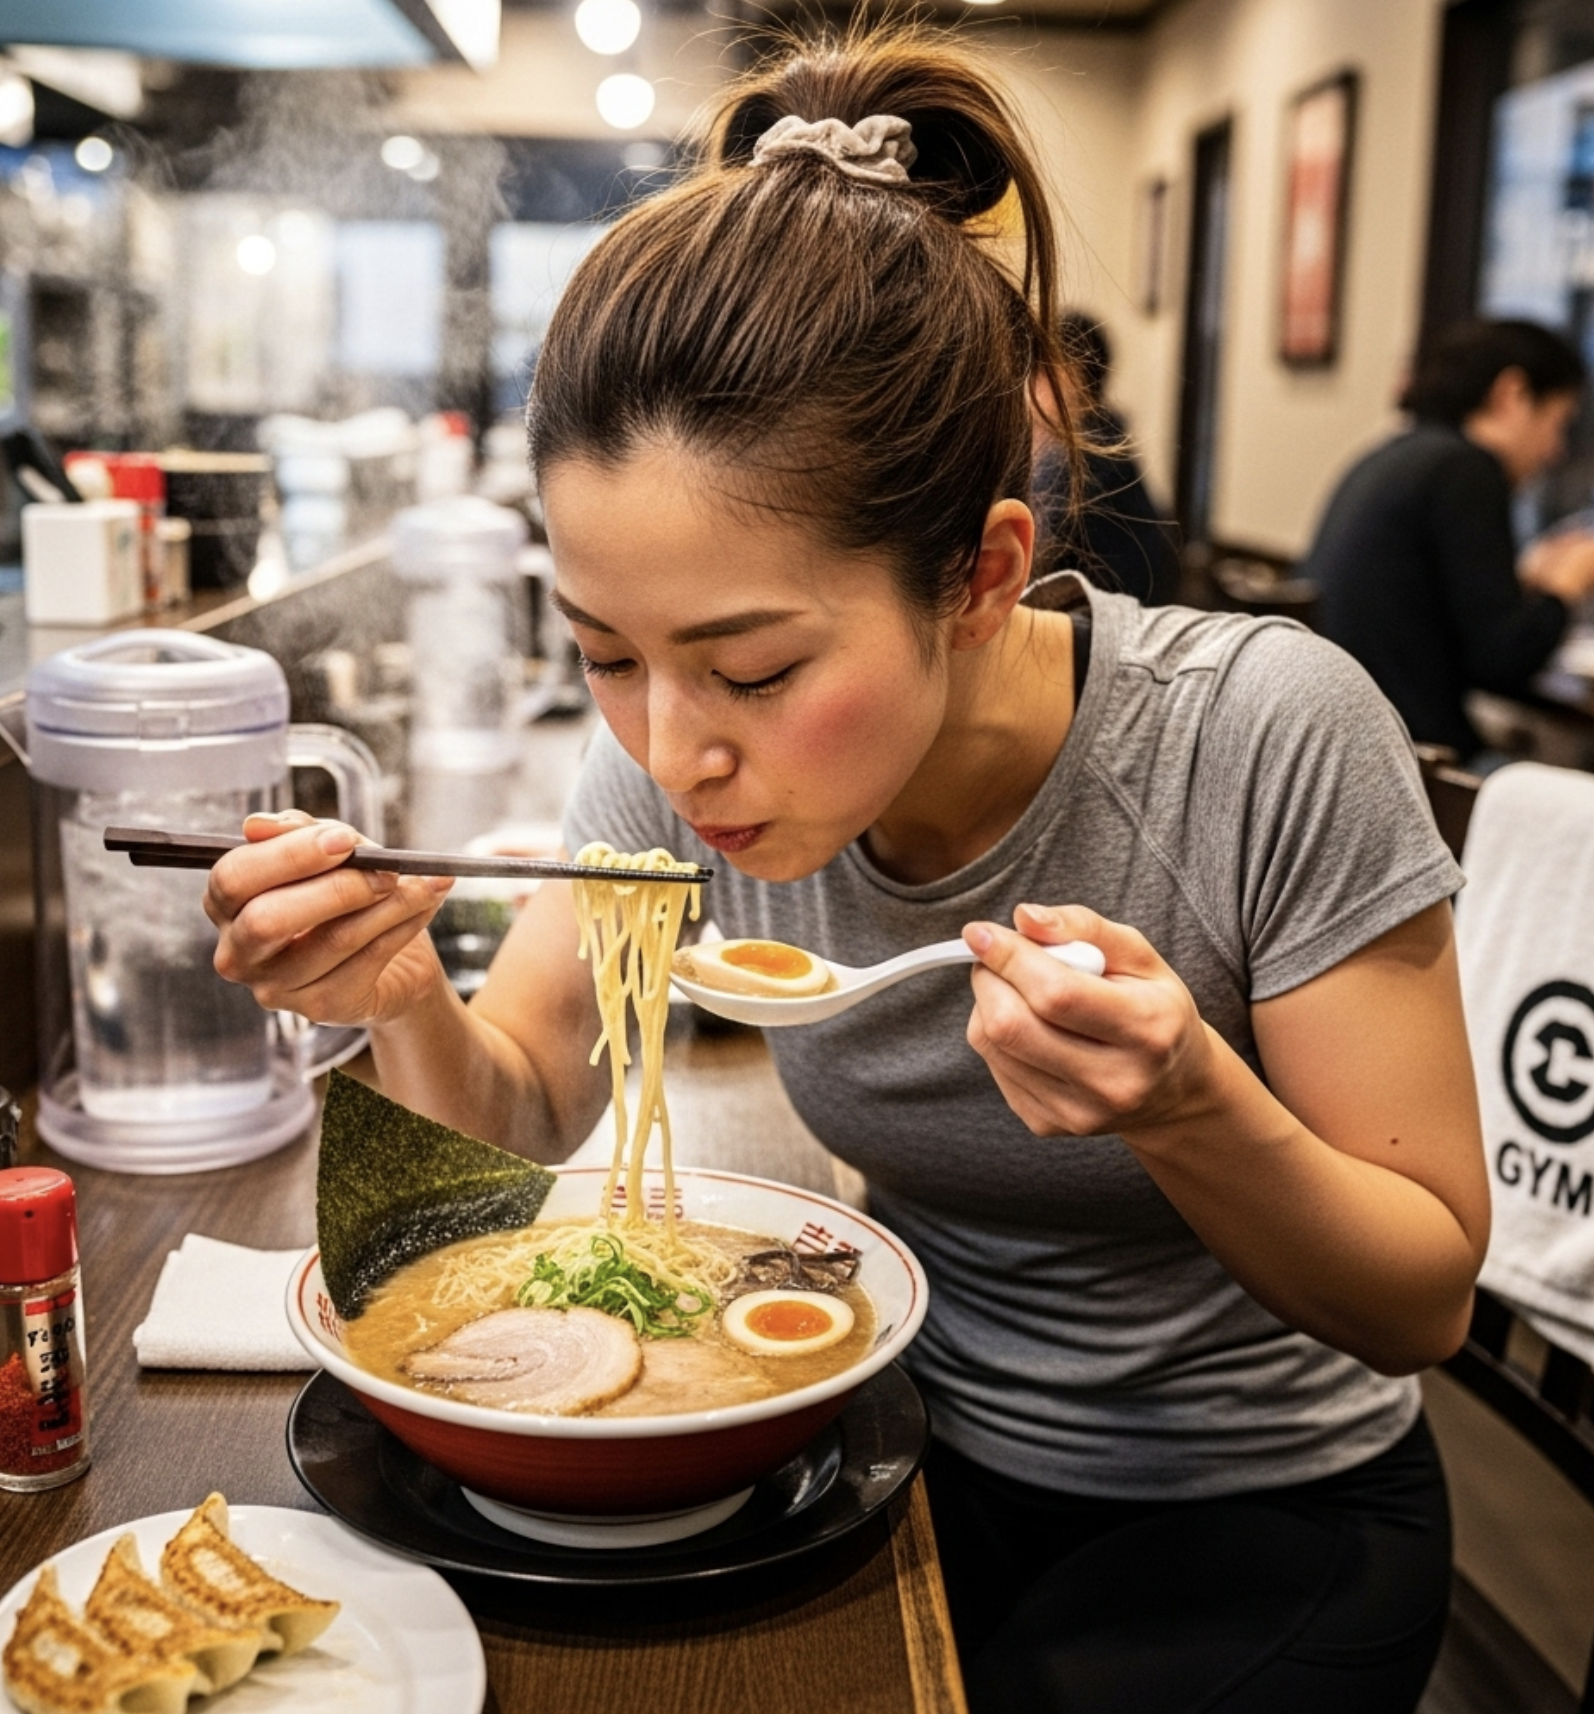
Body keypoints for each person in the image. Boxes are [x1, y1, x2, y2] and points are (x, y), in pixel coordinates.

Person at [205, 30, 1486, 1714]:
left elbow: (1420, 1293)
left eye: (750, 669)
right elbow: (513, 1113)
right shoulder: (669, 764)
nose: (672, 749)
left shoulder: (1257, 733)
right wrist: (388, 987)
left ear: (978, 575)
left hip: (1260, 1511)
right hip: (896, 1447)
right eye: (602, 652)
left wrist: (1185, 1102)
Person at [1303, 317, 1594, 765]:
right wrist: (1565, 586)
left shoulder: (1400, 454)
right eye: (1557, 423)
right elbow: (1502, 663)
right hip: (1408, 763)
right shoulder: (1467, 470)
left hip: (1341, 744)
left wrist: (1529, 583)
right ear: (1512, 395)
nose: (1555, 449)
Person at [1031, 311, 1182, 605]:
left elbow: (1035, 551)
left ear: (1077, 378)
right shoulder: (1094, 437)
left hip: (1122, 618)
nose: (1034, 385)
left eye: (1046, 371)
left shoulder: (1097, 452)